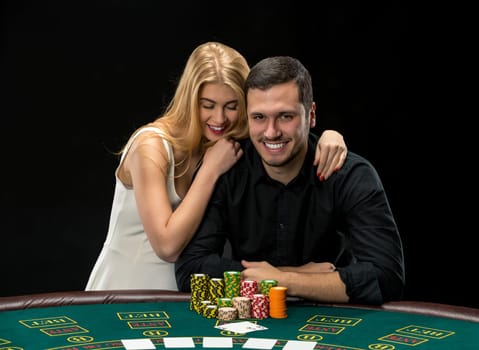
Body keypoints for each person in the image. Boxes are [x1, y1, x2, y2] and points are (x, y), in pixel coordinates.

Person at [85, 42, 348, 291]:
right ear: (190, 99)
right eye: (207, 105)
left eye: (232, 106)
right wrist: (210, 171)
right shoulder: (151, 145)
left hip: (182, 294)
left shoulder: (223, 146)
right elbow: (167, 247)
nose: (220, 118)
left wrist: (329, 136)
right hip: (124, 289)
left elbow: (284, 127)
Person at [175, 55, 405, 304]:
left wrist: (284, 280)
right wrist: (294, 274)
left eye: (285, 116)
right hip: (253, 319)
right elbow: (191, 270)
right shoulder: (227, 170)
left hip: (333, 321)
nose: (271, 132)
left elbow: (386, 278)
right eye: (259, 117)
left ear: (311, 115)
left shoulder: (350, 174)